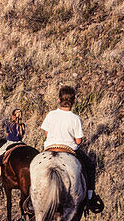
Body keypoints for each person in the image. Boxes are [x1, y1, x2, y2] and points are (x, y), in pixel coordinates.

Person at [40, 85, 104, 213]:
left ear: (59, 100)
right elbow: (79, 140)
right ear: (74, 101)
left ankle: (31, 198)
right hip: (68, 149)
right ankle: (90, 198)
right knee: (90, 166)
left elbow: (46, 133)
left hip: (49, 147)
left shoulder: (51, 114)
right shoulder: (75, 118)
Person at [0, 108, 26, 176]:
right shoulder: (22, 125)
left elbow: (7, 134)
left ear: (13, 116)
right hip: (21, 143)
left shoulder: (10, 124)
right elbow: (22, 135)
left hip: (11, 142)